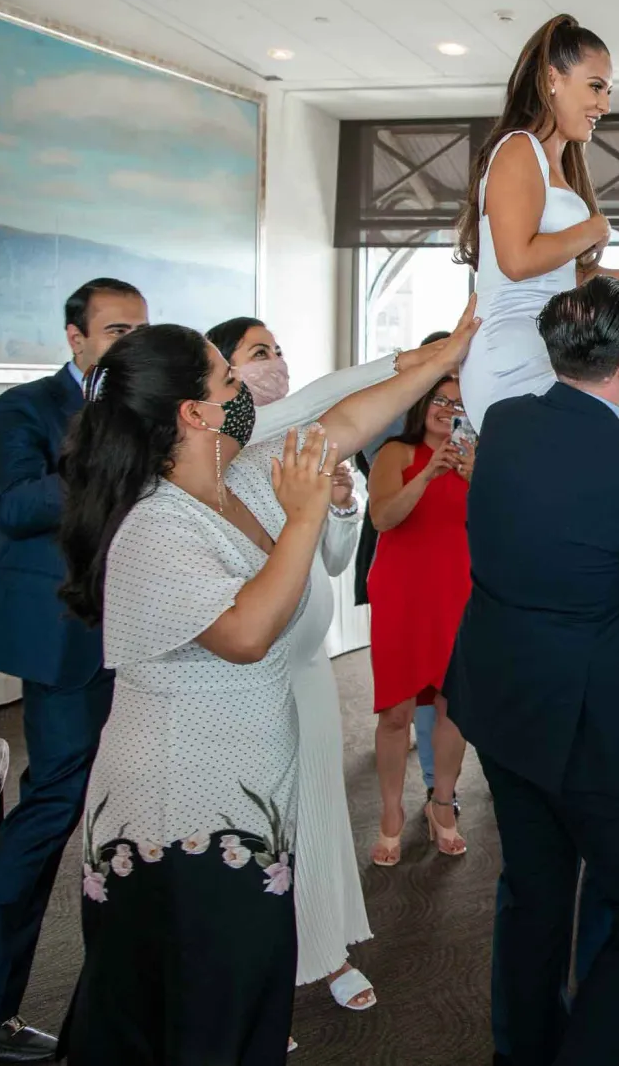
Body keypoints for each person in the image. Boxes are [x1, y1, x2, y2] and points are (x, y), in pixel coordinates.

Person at [53, 304, 475, 1064]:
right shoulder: (154, 524)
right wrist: (307, 517)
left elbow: (343, 416)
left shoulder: (237, 475)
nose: (244, 390)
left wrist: (450, 351)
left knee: (243, 994)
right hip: (177, 812)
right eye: (227, 380)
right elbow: (246, 634)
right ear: (195, 411)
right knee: (188, 1010)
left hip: (245, 793)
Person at [444, 278, 619, 1066]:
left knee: (533, 893)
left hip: (501, 701)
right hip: (596, 722)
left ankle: (519, 1051)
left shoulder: (503, 424)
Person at [0, 279, 147, 1064]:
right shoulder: (27, 406)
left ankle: (124, 1001)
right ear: (75, 336)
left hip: (144, 638)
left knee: (126, 817)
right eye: (116, 329)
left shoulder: (152, 410)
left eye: (139, 331)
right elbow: (14, 506)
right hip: (64, 642)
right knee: (52, 810)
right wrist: (115, 460)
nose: (129, 343)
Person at [207, 315, 380, 1010]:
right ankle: (255, 976)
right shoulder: (220, 456)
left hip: (308, 667)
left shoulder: (312, 443)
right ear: (221, 373)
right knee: (252, 822)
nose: (276, 363)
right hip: (247, 669)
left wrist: (340, 506)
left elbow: (336, 562)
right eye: (257, 354)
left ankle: (328, 948)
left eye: (279, 350)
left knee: (319, 808)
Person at [452, 13, 619, 433]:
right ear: (553, 77)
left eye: (608, 91)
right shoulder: (519, 149)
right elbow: (517, 262)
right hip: (511, 349)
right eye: (595, 87)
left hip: (550, 343)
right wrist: (593, 230)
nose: (605, 105)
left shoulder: (559, 164)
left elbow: (563, 275)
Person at [366, 374, 476, 865]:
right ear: (422, 403)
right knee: (396, 712)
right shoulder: (395, 452)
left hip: (459, 593)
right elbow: (383, 519)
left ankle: (442, 803)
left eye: (457, 402)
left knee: (454, 707)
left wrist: (478, 479)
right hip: (402, 592)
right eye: (439, 399)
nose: (446, 408)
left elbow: (501, 524)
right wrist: (429, 473)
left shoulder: (478, 458)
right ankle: (391, 812)